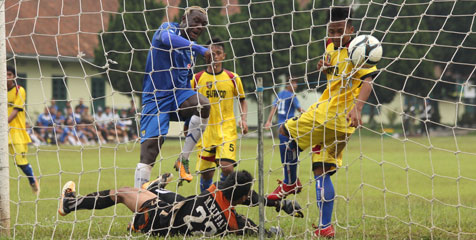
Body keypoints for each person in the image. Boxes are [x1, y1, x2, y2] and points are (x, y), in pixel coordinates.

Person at [266, 7, 378, 238]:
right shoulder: (329, 46)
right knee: (322, 171)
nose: (336, 34)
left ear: (351, 30)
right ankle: (325, 226)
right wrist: (324, 66)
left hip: (329, 116)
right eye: (332, 30)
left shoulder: (357, 48)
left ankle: (289, 183)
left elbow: (368, 80)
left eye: (341, 30)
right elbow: (332, 68)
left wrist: (358, 107)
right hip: (342, 126)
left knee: (285, 132)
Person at [58, 170, 302, 237]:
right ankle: (154, 189)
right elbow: (261, 228)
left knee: (122, 192)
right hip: (165, 221)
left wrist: (278, 204)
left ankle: (70, 204)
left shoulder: (213, 191)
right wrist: (279, 210)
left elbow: (247, 196)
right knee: (172, 198)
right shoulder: (235, 223)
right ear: (239, 198)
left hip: (154, 218)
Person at [135, 6, 212, 188]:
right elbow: (165, 39)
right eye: (196, 21)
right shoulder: (168, 28)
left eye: (203, 24)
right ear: (184, 20)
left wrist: (189, 119)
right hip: (156, 99)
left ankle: (183, 160)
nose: (200, 26)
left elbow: (186, 83)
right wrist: (200, 49)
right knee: (150, 151)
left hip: (177, 95)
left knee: (203, 105)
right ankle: (140, 201)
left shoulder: (190, 52)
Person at [189, 38, 248, 192]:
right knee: (207, 173)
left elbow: (242, 100)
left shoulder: (232, 78)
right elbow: (189, 103)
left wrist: (243, 119)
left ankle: (222, 193)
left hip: (226, 128)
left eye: (218, 53)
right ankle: (206, 199)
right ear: (205, 55)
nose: (215, 56)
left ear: (224, 56)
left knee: (227, 167)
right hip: (205, 130)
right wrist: (187, 123)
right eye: (211, 53)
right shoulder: (196, 79)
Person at [7, 65, 40, 194]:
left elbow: (16, 110)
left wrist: (3, 123)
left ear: (14, 76)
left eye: (9, 74)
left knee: (20, 162)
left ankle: (32, 180)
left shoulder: (19, 90)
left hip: (16, 133)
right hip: (2, 132)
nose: (7, 77)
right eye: (4, 74)